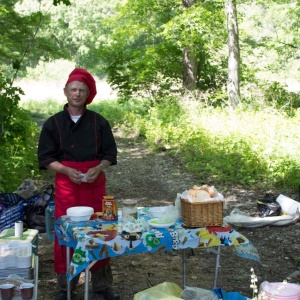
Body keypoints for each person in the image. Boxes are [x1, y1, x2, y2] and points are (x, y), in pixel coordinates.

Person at [37, 68, 119, 300]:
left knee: (100, 233)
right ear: (65, 92)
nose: (76, 93)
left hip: (94, 186)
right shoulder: (53, 124)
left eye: (81, 90)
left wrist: (99, 167)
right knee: (66, 236)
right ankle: (66, 289)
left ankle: (102, 289)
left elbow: (110, 154)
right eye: (73, 89)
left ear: (88, 94)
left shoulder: (99, 122)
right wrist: (65, 170)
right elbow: (45, 157)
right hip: (67, 187)